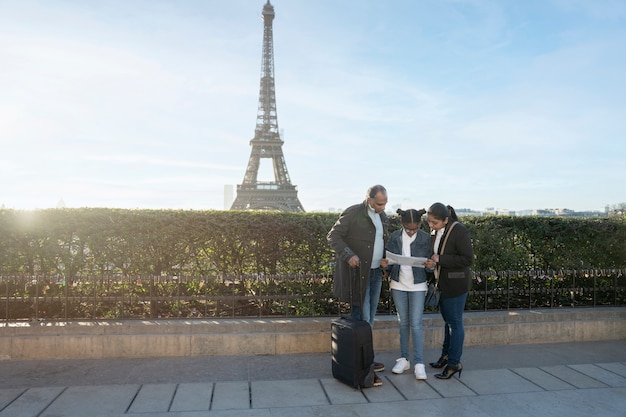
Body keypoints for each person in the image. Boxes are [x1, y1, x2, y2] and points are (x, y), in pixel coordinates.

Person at [327, 184, 390, 387]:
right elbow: (333, 236)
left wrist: (383, 260)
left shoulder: (383, 217)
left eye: (385, 203)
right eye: (379, 204)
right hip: (358, 276)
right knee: (361, 319)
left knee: (369, 320)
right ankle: (363, 368)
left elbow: (379, 242)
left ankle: (366, 361)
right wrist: (348, 255)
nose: (382, 207)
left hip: (374, 273)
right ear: (369, 199)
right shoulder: (354, 212)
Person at [423, 203, 474, 379]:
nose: (431, 225)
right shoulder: (438, 230)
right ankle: (446, 356)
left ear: (446, 219)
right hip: (442, 284)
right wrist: (432, 262)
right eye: (429, 222)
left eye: (434, 223)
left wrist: (441, 259)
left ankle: (454, 363)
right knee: (448, 322)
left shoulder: (458, 230)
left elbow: (468, 259)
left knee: (455, 324)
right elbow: (436, 254)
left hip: (456, 285)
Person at [386, 208, 430, 380]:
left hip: (418, 284)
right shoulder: (395, 236)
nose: (411, 231)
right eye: (408, 228)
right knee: (403, 322)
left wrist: (430, 265)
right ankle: (404, 359)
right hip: (398, 283)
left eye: (415, 227)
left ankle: (419, 363)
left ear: (420, 224)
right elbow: (389, 261)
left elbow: (430, 260)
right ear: (402, 224)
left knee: (416, 323)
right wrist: (385, 264)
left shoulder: (426, 238)